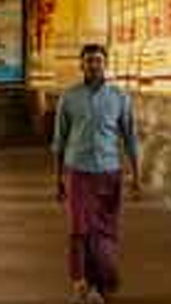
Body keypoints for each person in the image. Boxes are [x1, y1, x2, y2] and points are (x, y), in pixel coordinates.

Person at [52, 43, 142, 304]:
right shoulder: (69, 98)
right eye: (89, 61)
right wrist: (58, 178)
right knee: (79, 230)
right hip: (78, 172)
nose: (94, 65)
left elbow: (130, 138)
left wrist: (136, 177)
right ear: (81, 65)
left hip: (109, 172)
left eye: (98, 61)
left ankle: (102, 284)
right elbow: (60, 140)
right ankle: (81, 283)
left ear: (106, 64)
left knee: (105, 231)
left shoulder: (120, 98)